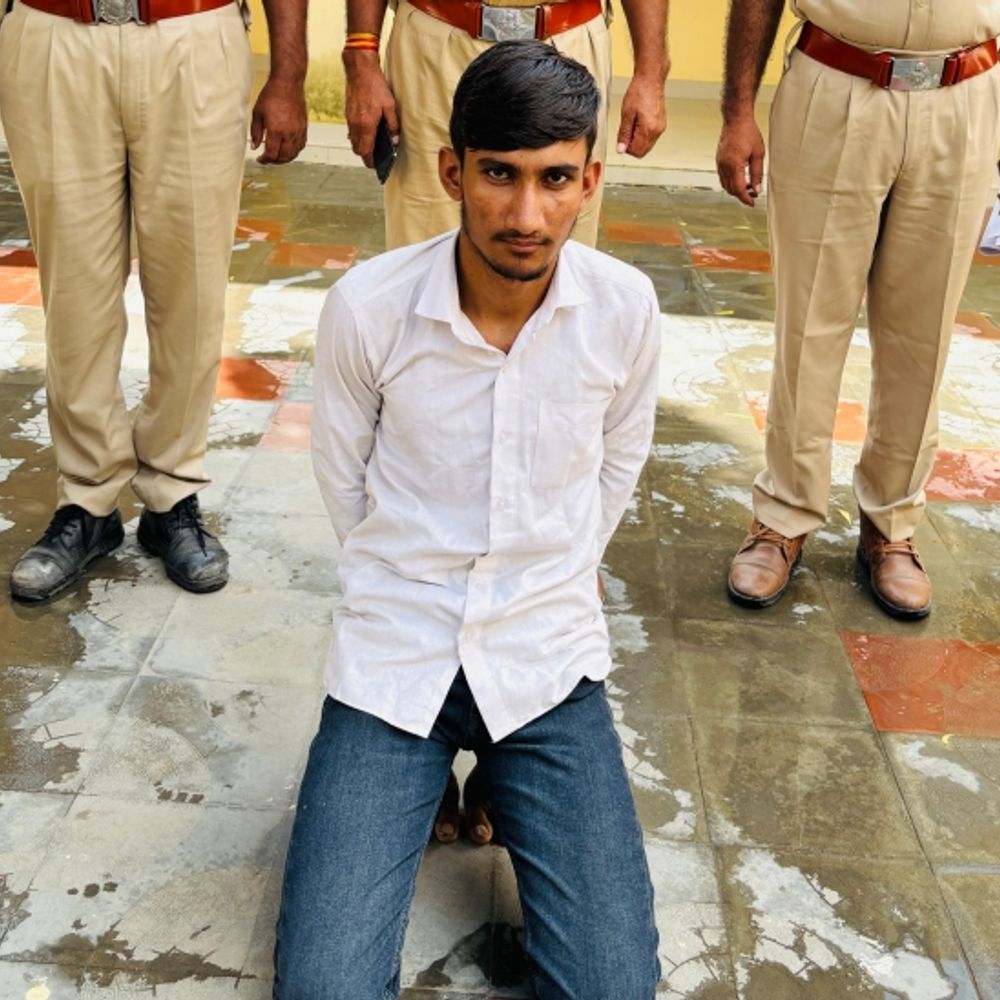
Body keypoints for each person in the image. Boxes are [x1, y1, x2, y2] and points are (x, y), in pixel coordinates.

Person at [273, 41, 661, 999]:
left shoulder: (624, 310)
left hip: (544, 661)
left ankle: (502, 766)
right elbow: (347, 488)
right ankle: (430, 770)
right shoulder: (368, 309)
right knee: (323, 989)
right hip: (395, 663)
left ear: (589, 182)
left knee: (612, 987)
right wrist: (414, 584)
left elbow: (614, 473)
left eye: (554, 179)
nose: (526, 215)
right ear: (452, 172)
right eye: (498, 175)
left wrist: (546, 581)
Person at [1, 0, 308, 602]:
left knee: (191, 290)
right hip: (53, 33)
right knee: (74, 292)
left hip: (192, 32)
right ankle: (87, 500)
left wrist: (288, 73)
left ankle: (172, 491)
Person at [716, 0, 1000, 618]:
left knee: (922, 336)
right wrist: (738, 112)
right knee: (809, 324)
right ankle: (784, 514)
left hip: (966, 95)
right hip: (837, 82)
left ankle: (891, 524)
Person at [342, 0, 669, 248]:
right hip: (434, 46)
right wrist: (361, 57)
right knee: (424, 251)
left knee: (558, 255)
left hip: (568, 41)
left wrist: (651, 71)